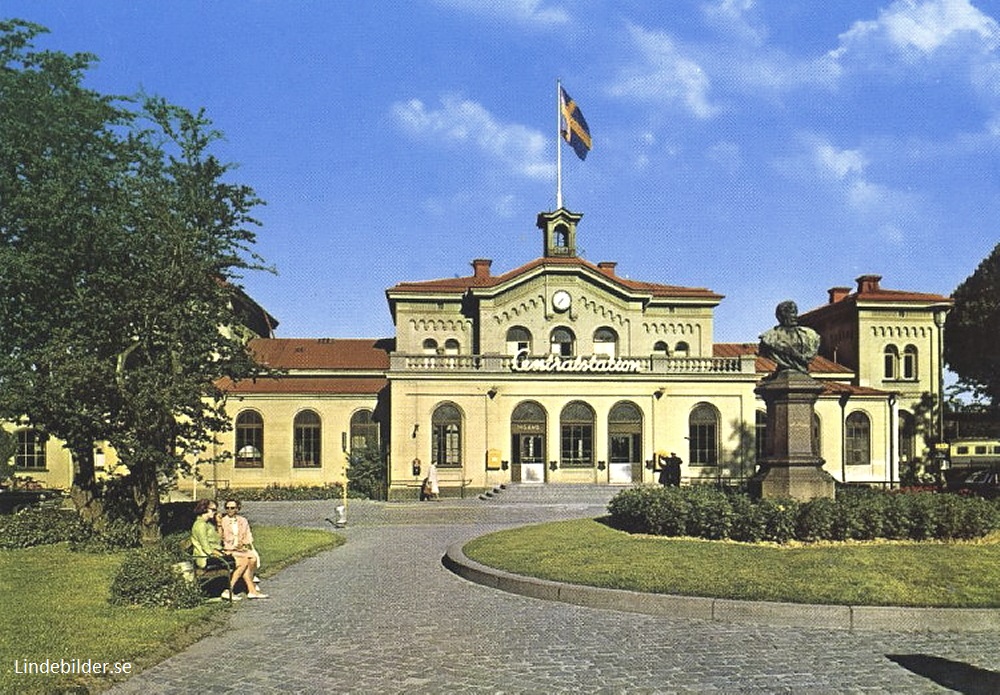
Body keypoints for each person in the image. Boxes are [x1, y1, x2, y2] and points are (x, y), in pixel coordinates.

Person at [219, 498, 268, 599]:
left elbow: (248, 536)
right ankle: (239, 588)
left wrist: (243, 544)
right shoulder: (223, 521)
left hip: (240, 548)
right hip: (229, 549)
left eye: (232, 508)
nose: (230, 510)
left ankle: (251, 590)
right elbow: (222, 538)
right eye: (227, 508)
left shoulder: (242, 520)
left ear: (237, 509)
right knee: (246, 561)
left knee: (253, 558)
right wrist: (233, 546)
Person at [758, 300, 821, 375]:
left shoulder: (810, 335)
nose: (793, 316)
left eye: (794, 312)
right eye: (789, 313)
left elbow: (811, 354)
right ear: (779, 316)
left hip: (802, 376)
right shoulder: (769, 338)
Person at [189, 499, 235, 598]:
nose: (215, 512)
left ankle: (230, 589)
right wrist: (222, 554)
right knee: (238, 560)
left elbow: (218, 540)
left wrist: (219, 523)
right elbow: (207, 548)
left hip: (213, 553)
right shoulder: (200, 525)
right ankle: (228, 590)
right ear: (204, 509)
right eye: (213, 510)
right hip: (204, 558)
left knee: (242, 557)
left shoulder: (208, 524)